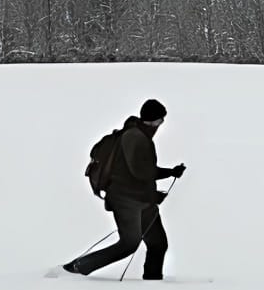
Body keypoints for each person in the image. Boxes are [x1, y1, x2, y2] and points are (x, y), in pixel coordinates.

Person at [64, 98, 187, 279]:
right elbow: (141, 172)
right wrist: (168, 173)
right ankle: (77, 268)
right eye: (161, 119)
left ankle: (153, 284)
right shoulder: (135, 138)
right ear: (153, 120)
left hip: (143, 200)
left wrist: (165, 178)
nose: (162, 123)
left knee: (158, 243)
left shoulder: (139, 135)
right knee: (129, 244)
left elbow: (139, 172)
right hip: (126, 200)